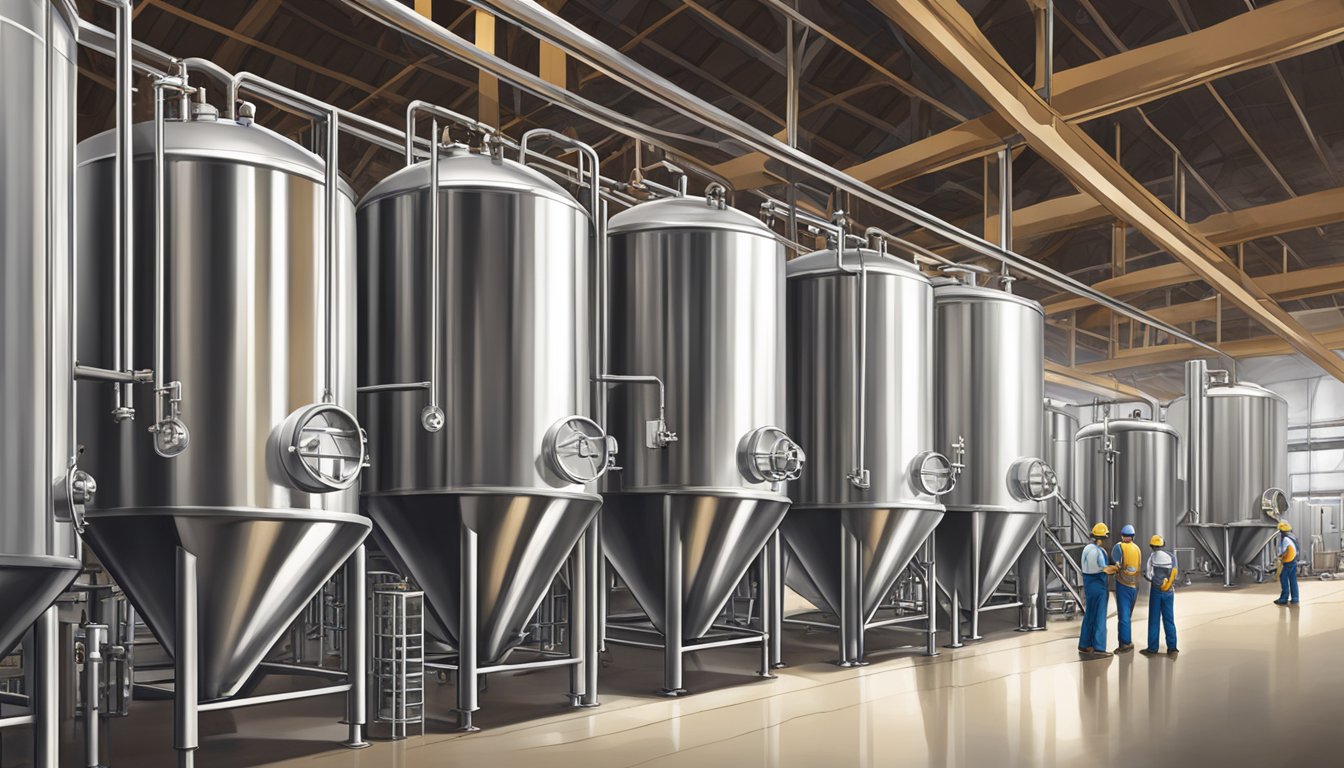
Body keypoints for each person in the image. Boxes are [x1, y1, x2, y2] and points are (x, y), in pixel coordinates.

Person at [1079, 522, 1118, 659]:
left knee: (1089, 614)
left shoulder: (1086, 548)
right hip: (1099, 585)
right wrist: (1117, 568)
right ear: (1102, 538)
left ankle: (1084, 645)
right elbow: (1105, 569)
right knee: (1100, 616)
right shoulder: (1099, 551)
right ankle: (1099, 648)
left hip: (1088, 584)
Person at [1140, 535, 1178, 657]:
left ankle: (1152, 649)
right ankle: (1172, 649)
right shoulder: (1172, 557)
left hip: (1156, 591)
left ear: (1152, 546)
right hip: (1168, 591)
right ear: (1163, 544)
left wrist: (1150, 578)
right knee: (1169, 619)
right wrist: (1167, 585)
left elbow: (1149, 575)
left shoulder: (1151, 557)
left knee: (1154, 620)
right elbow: (1174, 573)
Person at [1110, 524, 1141, 653]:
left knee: (1123, 616)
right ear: (1133, 536)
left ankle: (1125, 644)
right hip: (1135, 585)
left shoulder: (1119, 547)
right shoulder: (1137, 549)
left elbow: (1116, 564)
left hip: (1123, 584)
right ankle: (1128, 640)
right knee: (1128, 616)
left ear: (1122, 535)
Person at [1274, 520, 1300, 606]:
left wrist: (1281, 558)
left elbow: (1285, 551)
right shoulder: (1292, 536)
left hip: (1288, 562)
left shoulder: (1285, 539)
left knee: (1283, 578)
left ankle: (1283, 599)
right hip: (1293, 561)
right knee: (1293, 580)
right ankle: (1295, 598)